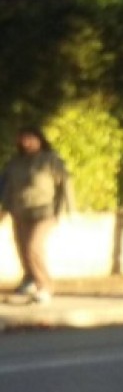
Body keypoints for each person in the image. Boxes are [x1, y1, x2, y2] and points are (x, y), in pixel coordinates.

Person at [0, 127, 73, 304]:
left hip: (44, 211)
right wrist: (4, 210)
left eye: (31, 138)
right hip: (20, 211)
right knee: (23, 248)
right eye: (23, 139)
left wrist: (67, 209)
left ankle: (45, 286)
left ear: (40, 139)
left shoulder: (50, 160)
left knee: (34, 247)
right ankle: (30, 279)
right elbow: (6, 188)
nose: (27, 142)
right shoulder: (15, 163)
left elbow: (66, 183)